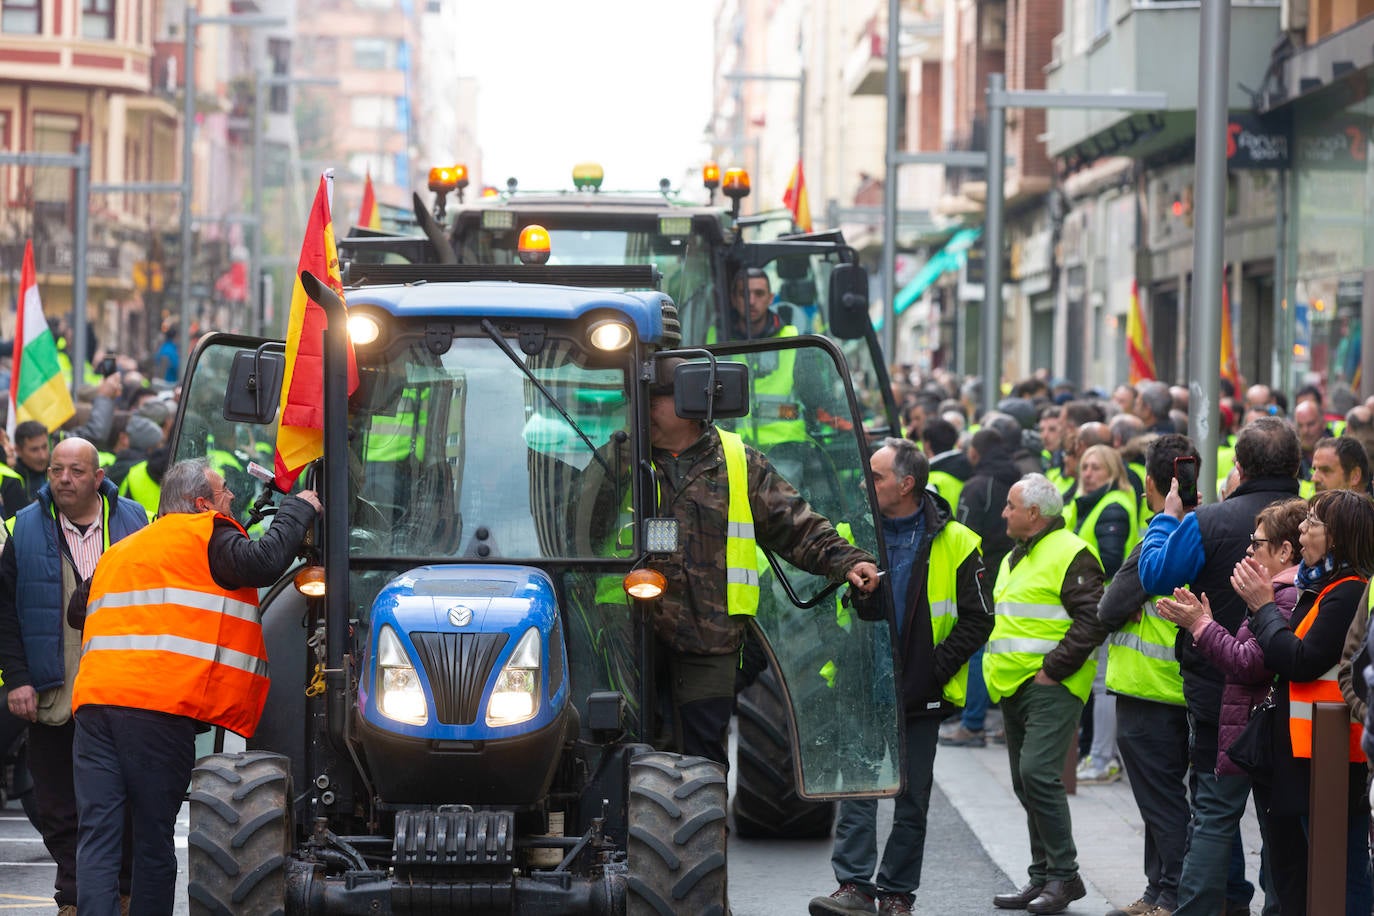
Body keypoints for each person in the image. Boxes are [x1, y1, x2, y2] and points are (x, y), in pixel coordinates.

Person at [69, 459, 319, 916]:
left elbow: (75, 611)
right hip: (157, 711)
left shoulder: (122, 549)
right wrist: (297, 510)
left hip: (94, 708)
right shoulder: (209, 534)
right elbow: (263, 561)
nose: (232, 503)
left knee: (98, 836)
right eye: (225, 495)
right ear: (202, 504)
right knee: (151, 837)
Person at [643, 362, 880, 768]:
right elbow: (570, 527)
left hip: (709, 638)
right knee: (630, 753)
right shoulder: (622, 458)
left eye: (654, 397)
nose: (643, 406)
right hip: (629, 638)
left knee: (703, 759)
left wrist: (849, 561)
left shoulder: (738, 461)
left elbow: (797, 527)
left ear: (687, 399)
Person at [811, 438, 992, 916]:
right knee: (859, 792)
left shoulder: (957, 541)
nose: (864, 483)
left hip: (920, 692)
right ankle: (853, 887)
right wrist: (843, 654)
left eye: (876, 476)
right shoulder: (851, 532)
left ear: (906, 484)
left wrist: (934, 671)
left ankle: (896, 893)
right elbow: (827, 612)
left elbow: (978, 619)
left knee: (912, 800)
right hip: (861, 686)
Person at [1138, 416, 1302, 916]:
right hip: (1297, 696)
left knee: (1213, 814)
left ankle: (1217, 906)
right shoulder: (1311, 518)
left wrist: (1167, 518)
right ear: (1297, 465)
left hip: (1218, 692)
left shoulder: (1207, 522)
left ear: (1239, 467)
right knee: (1285, 819)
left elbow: (1154, 574)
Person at [0, 437, 148, 915]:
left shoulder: (134, 522)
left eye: (76, 471)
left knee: (119, 802)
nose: (64, 479)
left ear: (98, 478)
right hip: (53, 692)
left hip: (117, 692)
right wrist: (18, 678)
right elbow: (6, 613)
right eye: (57, 470)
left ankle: (120, 894)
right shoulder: (22, 529)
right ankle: (73, 897)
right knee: (56, 804)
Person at [1242, 489, 1374, 914]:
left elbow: (1298, 660)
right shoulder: (1325, 586)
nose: (1301, 529)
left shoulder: (1348, 591)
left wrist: (1264, 608)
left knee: (1343, 872)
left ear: (1336, 537)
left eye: (1312, 522)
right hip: (1310, 752)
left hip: (1334, 756)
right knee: (1314, 868)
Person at [987, 473, 1107, 915]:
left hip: (1050, 684)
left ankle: (1064, 875)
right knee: (1024, 780)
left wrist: (1053, 670)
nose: (1004, 512)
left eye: (1010, 506)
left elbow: (1093, 619)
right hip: (1013, 682)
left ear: (1033, 514)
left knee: (1038, 773)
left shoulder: (1071, 553)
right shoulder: (1017, 555)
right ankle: (1042, 876)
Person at [1096, 435, 1201, 916]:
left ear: (1152, 484)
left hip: (1149, 690)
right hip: (1181, 690)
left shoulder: (1157, 540)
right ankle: (1157, 889)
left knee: (1161, 803)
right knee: (1164, 799)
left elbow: (1108, 607)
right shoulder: (1204, 529)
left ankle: (1172, 893)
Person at [943, 427, 1020, 748]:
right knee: (1008, 647)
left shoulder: (976, 487)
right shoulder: (1017, 483)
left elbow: (961, 538)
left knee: (976, 649)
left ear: (976, 452)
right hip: (1014, 573)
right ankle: (1008, 723)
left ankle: (972, 724)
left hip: (981, 577)